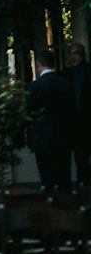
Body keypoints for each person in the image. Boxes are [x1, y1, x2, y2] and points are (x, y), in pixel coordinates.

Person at [27, 46, 75, 192]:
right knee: (64, 181)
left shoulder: (34, 87)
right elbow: (72, 111)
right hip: (63, 137)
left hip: (42, 138)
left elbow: (29, 111)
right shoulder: (66, 85)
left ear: (38, 64)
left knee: (47, 181)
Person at [65, 40, 91, 186]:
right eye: (70, 53)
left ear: (83, 55)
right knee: (80, 159)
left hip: (88, 121)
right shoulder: (64, 75)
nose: (73, 57)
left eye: (76, 53)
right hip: (73, 125)